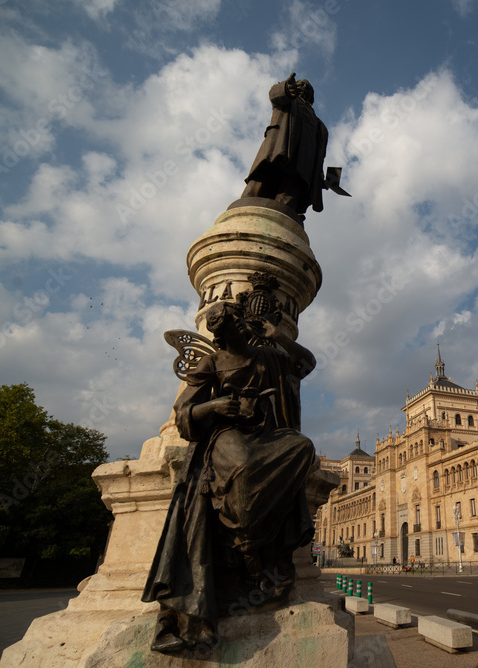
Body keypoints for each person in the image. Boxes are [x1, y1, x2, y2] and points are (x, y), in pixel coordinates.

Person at [142, 300, 318, 653]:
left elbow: (306, 363)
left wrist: (277, 335)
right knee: (241, 467)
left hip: (266, 433)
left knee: (302, 447)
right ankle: (245, 549)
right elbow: (184, 412)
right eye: (229, 329)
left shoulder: (267, 356)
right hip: (226, 434)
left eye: (239, 326)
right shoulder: (212, 361)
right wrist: (215, 406)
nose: (236, 332)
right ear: (221, 334)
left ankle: (256, 540)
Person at [242, 73, 327, 216]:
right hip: (278, 151)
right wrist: (286, 89)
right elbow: (275, 94)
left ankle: (283, 218)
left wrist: (319, 179)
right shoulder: (288, 101)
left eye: (307, 88)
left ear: (312, 97)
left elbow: (319, 156)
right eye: (301, 85)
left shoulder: (320, 126)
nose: (304, 88)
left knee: (287, 202)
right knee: (257, 188)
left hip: (302, 164)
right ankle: (243, 214)